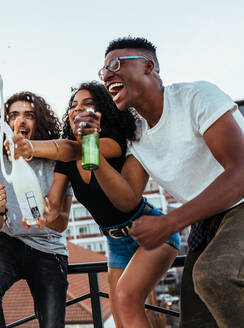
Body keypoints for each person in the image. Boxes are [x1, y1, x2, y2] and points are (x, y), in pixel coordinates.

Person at [84, 36, 244, 327]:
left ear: (149, 67)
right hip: (209, 221)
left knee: (214, 276)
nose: (107, 74)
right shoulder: (138, 137)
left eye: (115, 64)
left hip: (239, 204)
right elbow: (127, 199)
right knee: (196, 319)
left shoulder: (196, 97)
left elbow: (241, 171)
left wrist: (170, 223)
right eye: (102, 71)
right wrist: (89, 145)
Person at [12, 81, 179, 328]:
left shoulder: (116, 142)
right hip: (116, 243)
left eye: (88, 104)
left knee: (126, 299)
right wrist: (44, 214)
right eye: (73, 105)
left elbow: (74, 149)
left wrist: (31, 147)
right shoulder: (65, 163)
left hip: (151, 230)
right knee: (121, 319)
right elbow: (55, 205)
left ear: (103, 112)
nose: (78, 109)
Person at [0, 91, 73, 328]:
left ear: (39, 121)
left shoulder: (57, 160)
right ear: (6, 124)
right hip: (9, 242)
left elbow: (61, 224)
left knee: (52, 322)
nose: (21, 121)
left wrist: (50, 216)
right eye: (14, 115)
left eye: (29, 115)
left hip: (49, 245)